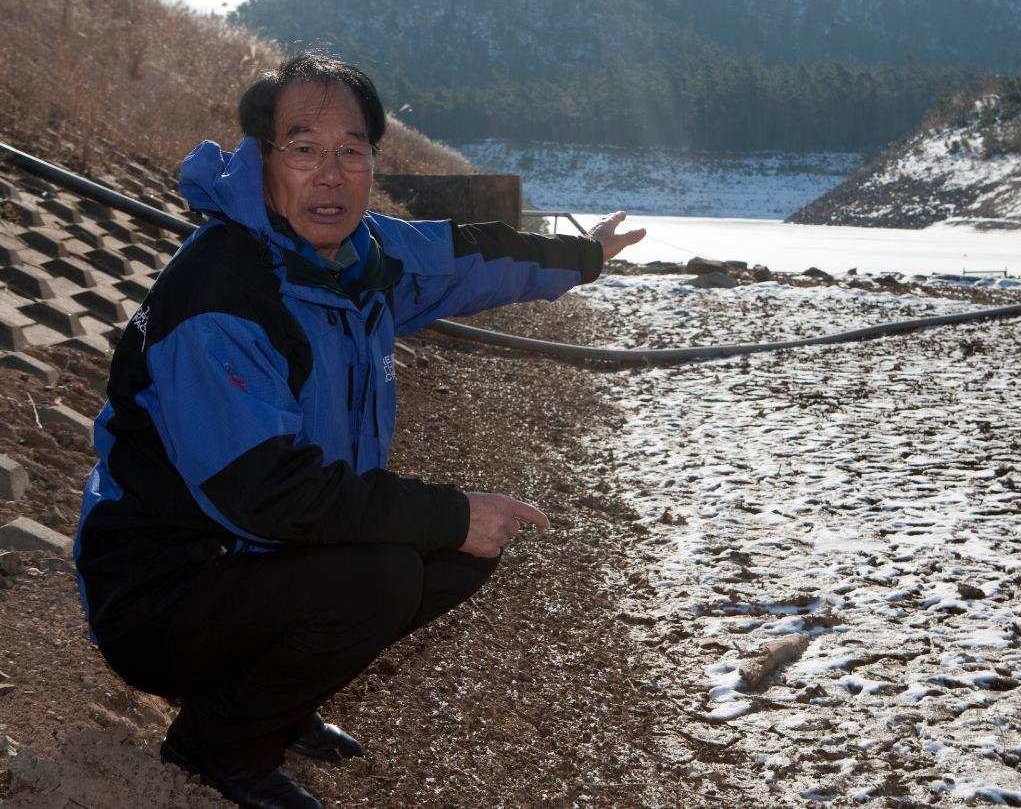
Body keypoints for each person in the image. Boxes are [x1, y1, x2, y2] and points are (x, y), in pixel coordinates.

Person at [73, 52, 645, 809]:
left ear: (375, 161)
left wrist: (582, 255)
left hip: (254, 560)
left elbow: (465, 258)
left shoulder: (361, 256)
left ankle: (274, 696)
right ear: (264, 159)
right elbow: (263, 493)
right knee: (385, 572)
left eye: (353, 151)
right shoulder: (221, 291)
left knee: (452, 553)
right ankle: (217, 744)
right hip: (158, 595)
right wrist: (449, 509)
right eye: (305, 149)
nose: (332, 174)